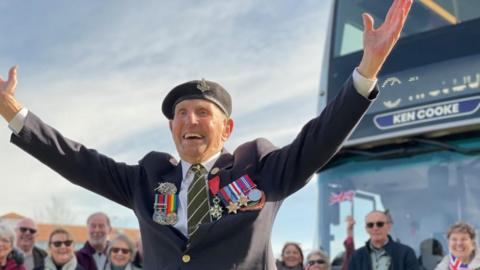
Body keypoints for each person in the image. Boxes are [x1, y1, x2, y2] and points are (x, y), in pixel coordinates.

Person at [0, 0, 412, 268]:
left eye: (202, 112)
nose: (190, 121)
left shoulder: (261, 169)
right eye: (181, 113)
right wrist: (14, 113)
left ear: (227, 128)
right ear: (171, 128)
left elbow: (318, 138)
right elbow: (79, 161)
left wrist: (366, 73)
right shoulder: (146, 179)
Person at [348, 210, 419, 270]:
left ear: (389, 226)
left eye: (380, 224)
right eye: (370, 225)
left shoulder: (406, 253)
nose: (375, 228)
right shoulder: (356, 256)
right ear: (366, 229)